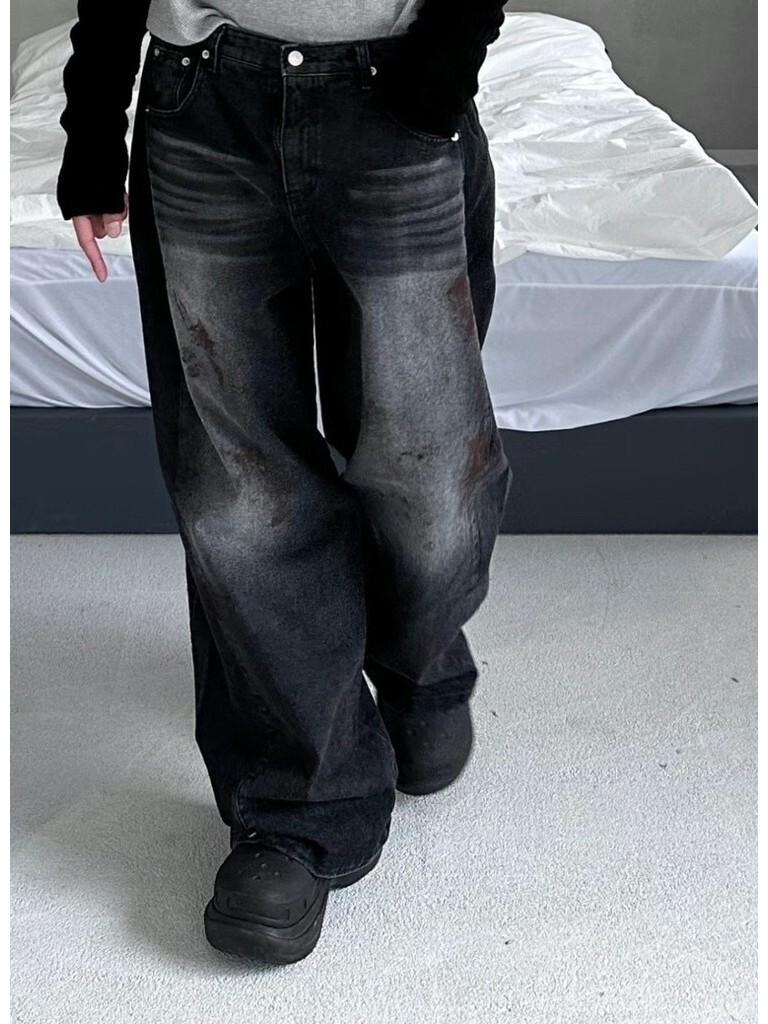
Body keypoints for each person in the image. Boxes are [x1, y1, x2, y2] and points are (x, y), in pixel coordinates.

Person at [56, 0, 512, 964]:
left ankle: (419, 662)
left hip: (398, 90)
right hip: (202, 96)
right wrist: (94, 120)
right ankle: (297, 809)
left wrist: (440, 69)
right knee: (243, 497)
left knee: (430, 480)